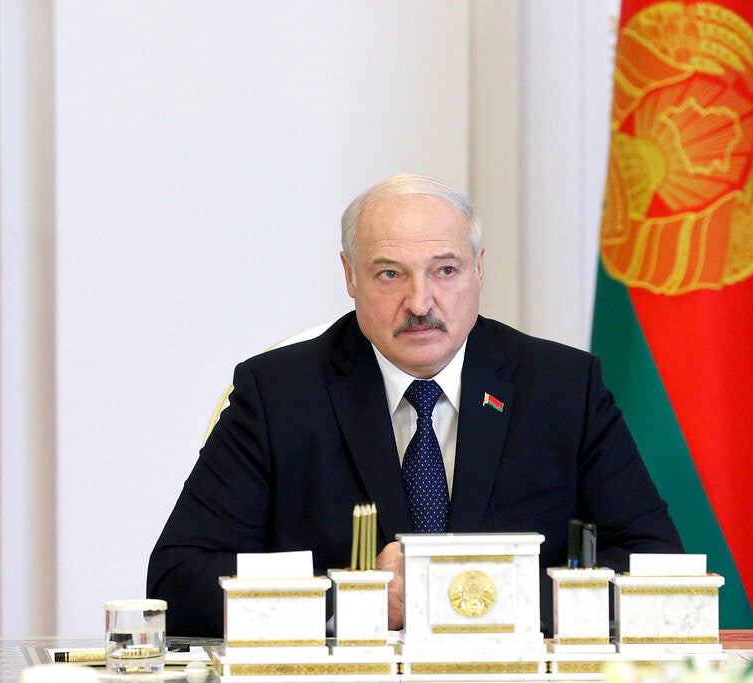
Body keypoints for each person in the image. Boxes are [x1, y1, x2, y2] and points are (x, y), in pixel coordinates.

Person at [147, 174, 683, 637]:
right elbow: (178, 579)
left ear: (478, 269)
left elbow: (655, 563)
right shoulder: (278, 393)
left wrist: (473, 595)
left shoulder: (562, 386)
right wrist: (348, 600)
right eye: (389, 274)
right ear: (349, 275)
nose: (420, 303)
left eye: (445, 271)